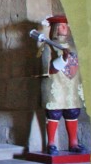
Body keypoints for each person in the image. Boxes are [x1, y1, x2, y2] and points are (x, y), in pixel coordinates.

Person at [30, 15, 86, 155]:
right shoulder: (47, 46)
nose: (65, 28)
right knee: (54, 113)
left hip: (72, 87)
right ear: (55, 28)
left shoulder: (74, 46)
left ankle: (73, 143)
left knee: (72, 112)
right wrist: (63, 58)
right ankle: (51, 144)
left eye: (66, 25)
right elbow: (46, 69)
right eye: (61, 25)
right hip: (55, 85)